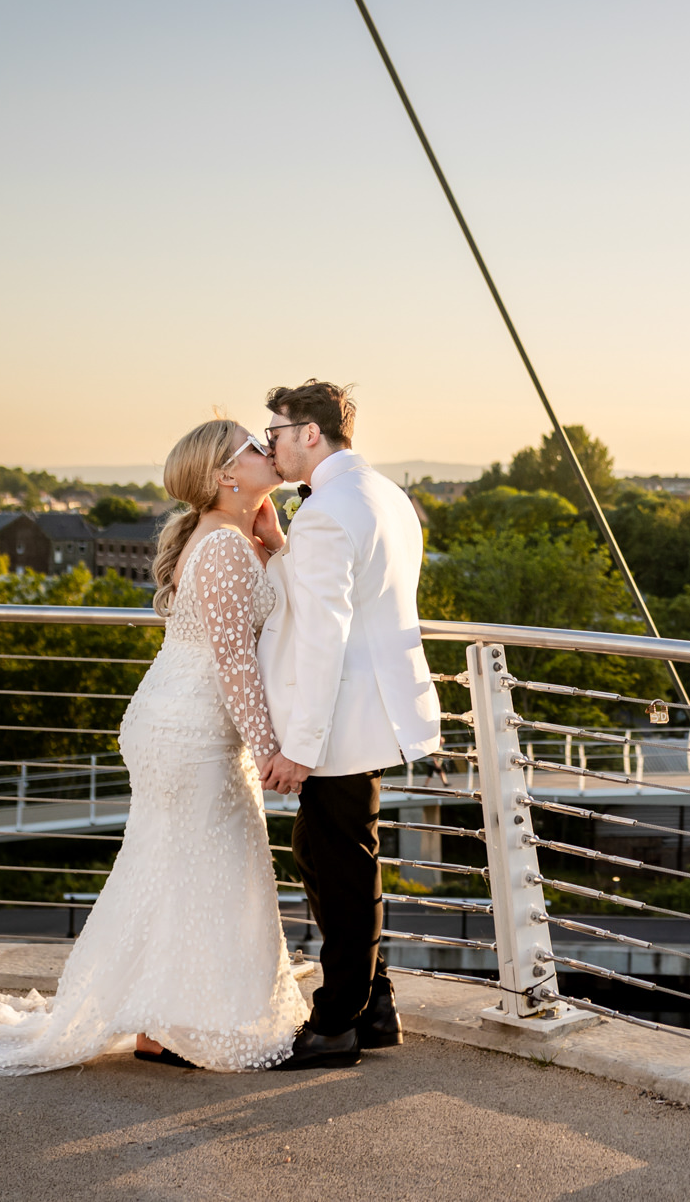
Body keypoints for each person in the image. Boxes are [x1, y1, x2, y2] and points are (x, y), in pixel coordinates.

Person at [0, 420, 308, 1074]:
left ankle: (159, 1023)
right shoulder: (224, 547)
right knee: (213, 867)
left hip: (178, 721)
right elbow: (234, 660)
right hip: (191, 729)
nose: (267, 452)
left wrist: (276, 543)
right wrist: (271, 747)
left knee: (178, 868)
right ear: (226, 476)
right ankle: (169, 1024)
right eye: (253, 447)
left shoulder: (229, 536)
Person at [256, 380, 442, 1071]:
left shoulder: (328, 511)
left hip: (342, 719)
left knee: (335, 865)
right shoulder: (384, 494)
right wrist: (284, 549)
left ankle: (336, 1024)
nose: (268, 444)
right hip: (378, 705)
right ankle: (376, 1003)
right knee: (336, 857)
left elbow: (324, 635)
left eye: (274, 431)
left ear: (310, 432)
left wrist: (299, 748)